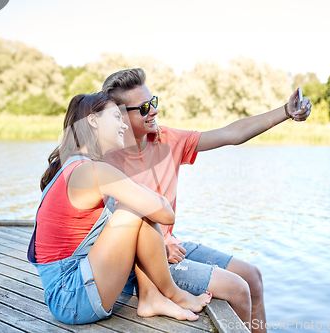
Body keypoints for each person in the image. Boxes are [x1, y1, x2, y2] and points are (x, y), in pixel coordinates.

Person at [102, 68, 312, 332]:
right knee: (238, 289)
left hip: (171, 246)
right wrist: (156, 247)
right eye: (144, 107)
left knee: (253, 277)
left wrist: (285, 111)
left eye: (153, 102)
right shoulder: (107, 156)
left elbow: (231, 133)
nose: (153, 110)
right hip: (137, 264)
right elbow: (106, 230)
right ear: (120, 115)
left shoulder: (168, 139)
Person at [27, 92, 211, 325]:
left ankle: (151, 297)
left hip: (67, 291)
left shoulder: (73, 165)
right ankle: (172, 293)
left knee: (134, 207)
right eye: (116, 116)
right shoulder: (92, 171)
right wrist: (153, 197)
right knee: (133, 210)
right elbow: (166, 215)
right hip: (71, 297)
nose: (124, 123)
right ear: (93, 121)